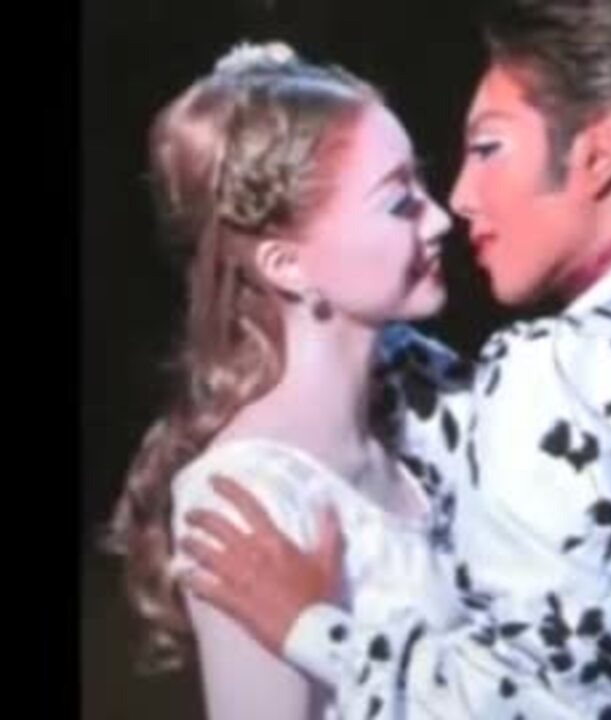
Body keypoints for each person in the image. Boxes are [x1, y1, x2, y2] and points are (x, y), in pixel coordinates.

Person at [180, 1, 611, 717]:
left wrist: (313, 630)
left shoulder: (561, 368)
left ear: (599, 153)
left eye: (488, 149)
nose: (458, 200)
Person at [103, 41, 472, 720]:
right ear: (286, 265)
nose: (441, 218)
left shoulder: (431, 405)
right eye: (400, 203)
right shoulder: (250, 497)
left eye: (421, 186)